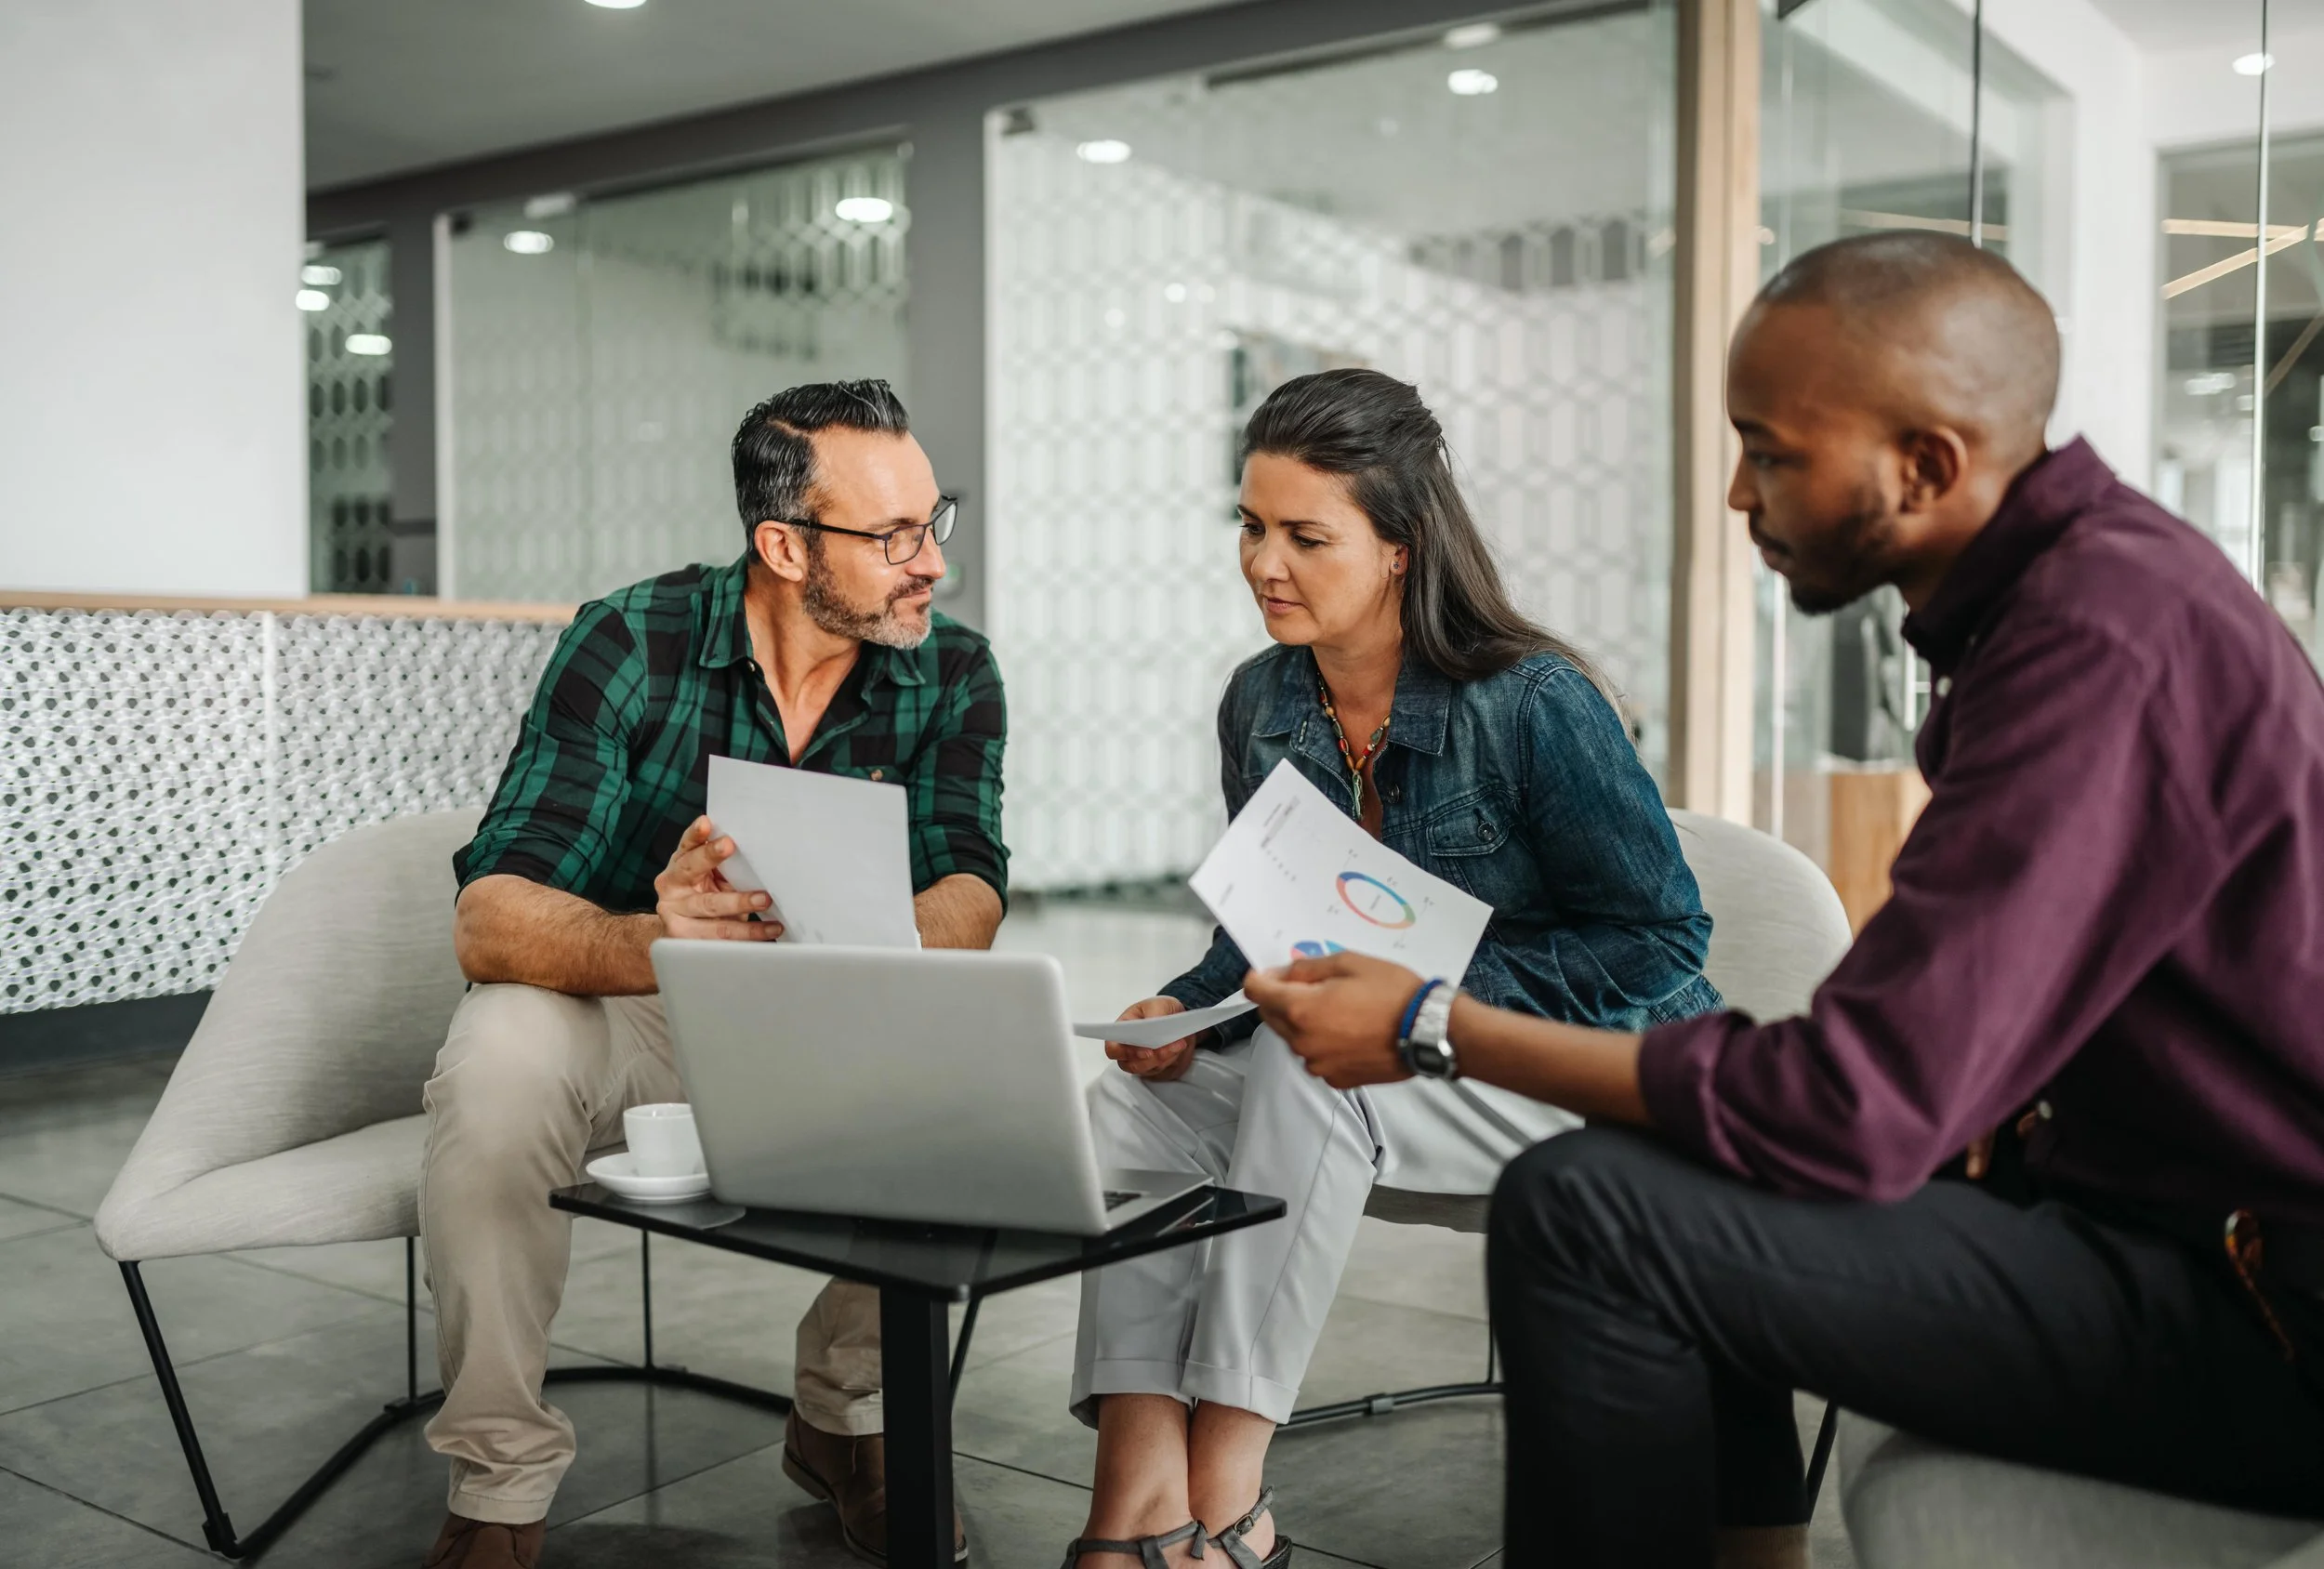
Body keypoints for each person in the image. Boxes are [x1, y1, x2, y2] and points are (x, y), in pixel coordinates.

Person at [1244, 232, 2324, 1569]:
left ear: (1925, 467)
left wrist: (1431, 1027)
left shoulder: (2101, 640)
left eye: (1773, 451)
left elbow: (1856, 1109)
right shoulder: (2070, 601)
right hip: (2150, 1229)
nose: (1741, 494)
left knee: (1583, 1216)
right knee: (1674, 1166)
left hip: (2258, 1312)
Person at [1059, 368, 1723, 1568]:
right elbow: (1268, 920)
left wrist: (1424, 999)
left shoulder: (1534, 704)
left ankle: (1227, 1497)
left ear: (1402, 549)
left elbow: (1661, 943)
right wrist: (1189, 1006)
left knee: (1322, 1077)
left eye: (1307, 537)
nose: (1266, 563)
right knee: (1142, 1101)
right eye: (1251, 527)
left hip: (1566, 1074)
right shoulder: (1259, 703)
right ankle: (1136, 1497)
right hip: (1391, 1059)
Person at [420, 380, 1005, 1569]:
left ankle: (847, 1420)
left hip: (829, 1011)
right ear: (784, 545)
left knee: (962, 1059)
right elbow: (492, 918)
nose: (930, 561)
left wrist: (868, 940)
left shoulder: (954, 671)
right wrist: (656, 937)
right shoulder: (631, 639)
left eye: (933, 519)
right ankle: (498, 1484)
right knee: (499, 1053)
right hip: (640, 1009)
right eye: (892, 535)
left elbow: (972, 885)